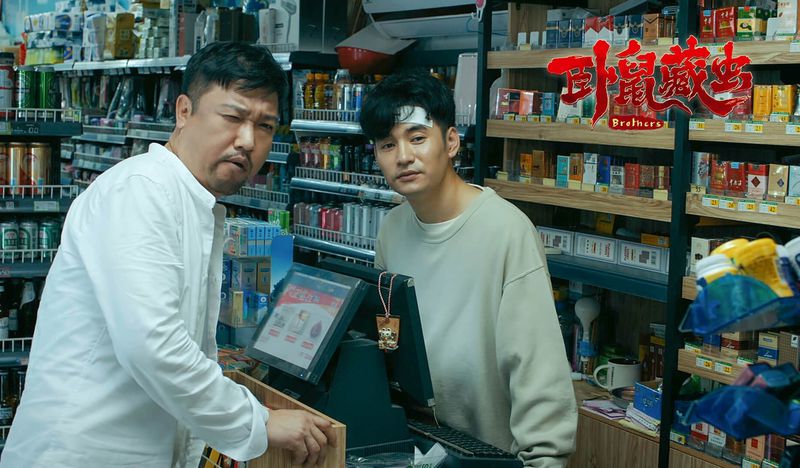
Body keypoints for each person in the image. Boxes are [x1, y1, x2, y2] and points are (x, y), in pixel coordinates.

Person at [1, 42, 336, 468]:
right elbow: (153, 345)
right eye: (232, 117)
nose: (248, 141)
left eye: (265, 126)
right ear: (184, 111)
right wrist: (257, 423)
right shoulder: (141, 191)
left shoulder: (190, 201)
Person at [360, 71, 577, 467]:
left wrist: (544, 460)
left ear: (451, 142)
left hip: (486, 455)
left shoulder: (507, 231)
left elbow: (538, 369)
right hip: (419, 444)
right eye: (387, 144)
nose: (403, 156)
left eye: (417, 137)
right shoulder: (392, 228)